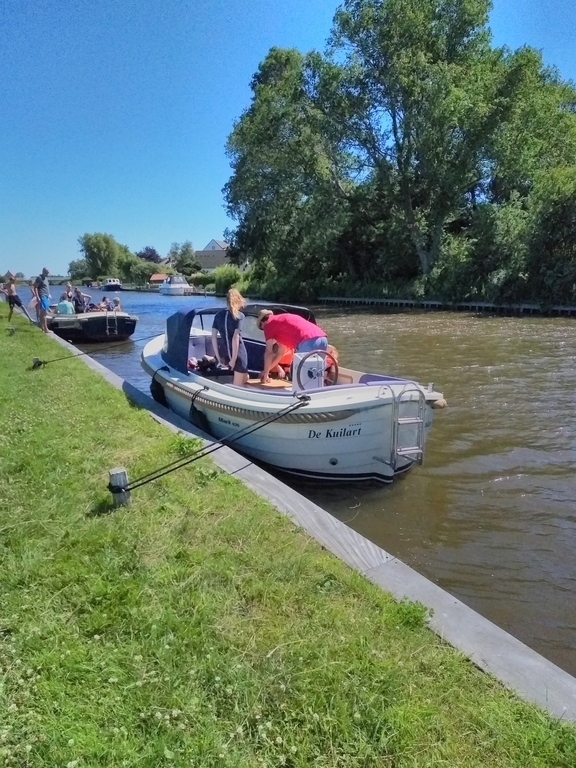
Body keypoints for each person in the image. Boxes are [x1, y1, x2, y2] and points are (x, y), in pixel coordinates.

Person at [258, 309, 327, 384]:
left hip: (307, 341)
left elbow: (269, 352)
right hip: (323, 338)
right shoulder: (280, 322)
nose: (263, 330)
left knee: (301, 377)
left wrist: (265, 375)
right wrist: (266, 371)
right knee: (317, 374)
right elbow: (280, 353)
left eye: (261, 328)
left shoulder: (268, 324)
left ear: (262, 322)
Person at [211, 288, 249, 386]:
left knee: (245, 378)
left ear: (227, 301)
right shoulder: (239, 316)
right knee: (237, 386)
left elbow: (213, 337)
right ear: (238, 300)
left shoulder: (218, 315)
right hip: (238, 354)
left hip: (225, 354)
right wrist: (233, 360)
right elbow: (235, 338)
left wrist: (218, 357)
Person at [33, 267, 51, 333]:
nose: (48, 274)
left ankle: (42, 328)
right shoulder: (39, 278)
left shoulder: (45, 278)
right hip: (42, 296)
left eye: (48, 273)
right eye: (47, 273)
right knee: (44, 313)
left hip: (46, 296)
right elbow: (35, 287)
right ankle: (46, 329)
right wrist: (37, 297)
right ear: (43, 272)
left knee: (42, 313)